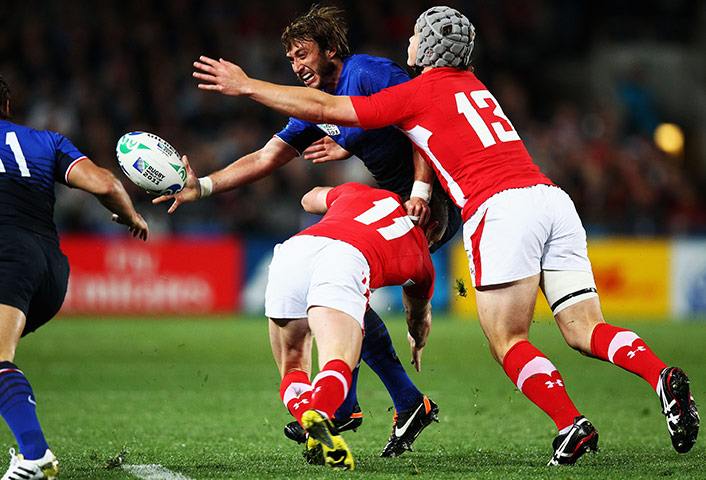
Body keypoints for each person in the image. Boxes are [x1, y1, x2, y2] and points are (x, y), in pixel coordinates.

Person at [189, 5, 700, 466]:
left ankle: (566, 423)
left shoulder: (389, 80)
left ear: (426, 48)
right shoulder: (473, 85)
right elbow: (408, 126)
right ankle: (661, 376)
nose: (406, 42)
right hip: (549, 196)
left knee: (505, 338)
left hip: (487, 208)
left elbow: (355, 115)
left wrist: (246, 84)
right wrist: (209, 183)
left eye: (415, 35)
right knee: (584, 329)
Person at [156, 5, 463, 457]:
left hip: (435, 198)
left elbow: (421, 122)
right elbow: (265, 158)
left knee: (339, 276)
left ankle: (346, 406)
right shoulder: (316, 109)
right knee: (336, 287)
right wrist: (200, 186)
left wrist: (420, 187)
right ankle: (396, 402)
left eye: (303, 55)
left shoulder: (368, 72)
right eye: (291, 60)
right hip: (395, 200)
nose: (298, 67)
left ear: (331, 50)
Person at [0, 75, 149, 480]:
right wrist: (130, 215)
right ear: (8, 107)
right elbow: (105, 183)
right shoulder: (46, 140)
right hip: (51, 271)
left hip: (7, 257)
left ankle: (35, 455)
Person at [268, 181, 447, 470]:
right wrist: (417, 340)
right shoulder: (422, 261)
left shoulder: (362, 192)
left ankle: (313, 414)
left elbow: (308, 198)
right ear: (433, 227)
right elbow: (418, 318)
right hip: (345, 260)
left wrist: (336, 203)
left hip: (294, 250)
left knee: (293, 367)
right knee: (338, 358)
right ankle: (323, 411)